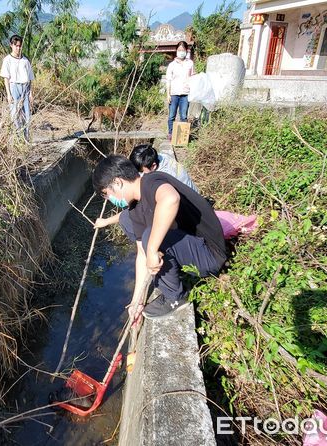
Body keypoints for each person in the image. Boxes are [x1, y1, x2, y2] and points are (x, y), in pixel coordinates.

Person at [92, 155, 226, 319]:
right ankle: (171, 285)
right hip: (192, 252)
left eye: (107, 194)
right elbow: (142, 255)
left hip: (210, 255)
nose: (111, 200)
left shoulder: (151, 181)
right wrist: (137, 301)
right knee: (129, 222)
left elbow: (170, 199)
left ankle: (175, 298)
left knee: (151, 236)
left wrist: (152, 248)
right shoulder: (135, 209)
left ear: (118, 182)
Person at [1, 35, 34, 141]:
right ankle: (17, 139)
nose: (18, 48)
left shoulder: (25, 60)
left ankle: (26, 138)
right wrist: (8, 94)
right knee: (15, 115)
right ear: (11, 45)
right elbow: (6, 78)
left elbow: (30, 78)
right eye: (16, 46)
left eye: (19, 46)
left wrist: (30, 93)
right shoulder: (7, 60)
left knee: (27, 116)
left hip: (25, 88)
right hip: (14, 87)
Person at [129, 144, 198, 193]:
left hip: (192, 205)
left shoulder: (163, 177)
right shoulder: (161, 156)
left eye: (141, 171)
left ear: (153, 166)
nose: (140, 174)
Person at [166, 41, 194, 140]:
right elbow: (168, 80)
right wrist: (168, 94)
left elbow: (192, 77)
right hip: (174, 94)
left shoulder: (190, 63)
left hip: (185, 94)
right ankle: (171, 134)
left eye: (183, 50)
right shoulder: (172, 65)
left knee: (183, 116)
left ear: (186, 51)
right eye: (179, 50)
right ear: (176, 51)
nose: (181, 52)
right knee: (171, 116)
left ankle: (182, 137)